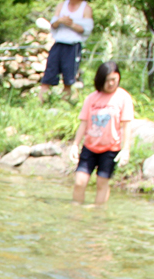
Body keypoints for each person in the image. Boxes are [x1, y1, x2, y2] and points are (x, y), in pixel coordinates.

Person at [70, 61, 133, 207]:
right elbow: (84, 122)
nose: (111, 83)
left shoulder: (123, 98)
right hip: (90, 147)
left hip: (111, 149)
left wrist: (126, 149)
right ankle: (75, 212)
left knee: (102, 182)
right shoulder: (92, 98)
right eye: (108, 80)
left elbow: (126, 125)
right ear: (100, 80)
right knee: (80, 182)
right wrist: (75, 145)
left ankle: (98, 214)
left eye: (114, 80)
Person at [38, 0, 92, 102]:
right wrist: (60, 21)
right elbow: (53, 25)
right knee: (48, 76)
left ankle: (64, 104)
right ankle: (40, 103)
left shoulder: (86, 9)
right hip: (58, 44)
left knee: (69, 79)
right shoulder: (61, 5)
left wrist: (71, 24)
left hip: (73, 46)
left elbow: (86, 30)